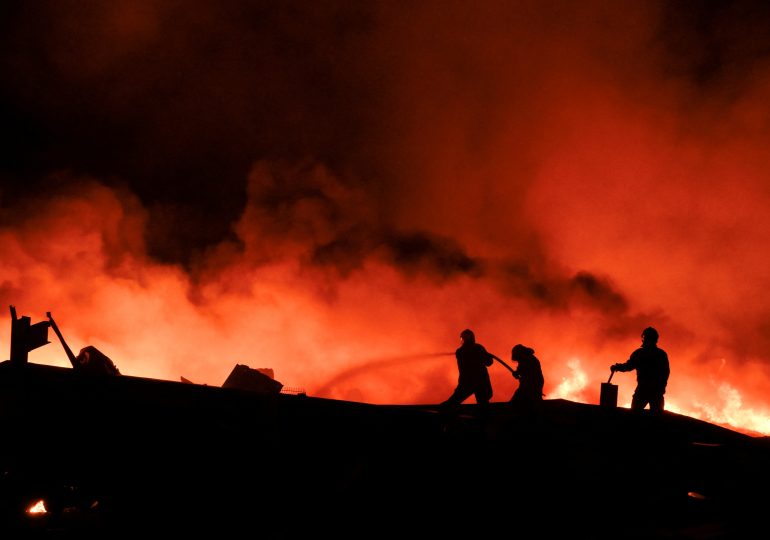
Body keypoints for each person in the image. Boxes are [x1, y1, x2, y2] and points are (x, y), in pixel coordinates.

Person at [610, 327, 670, 413]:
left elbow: (628, 366)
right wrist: (662, 387)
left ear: (644, 338)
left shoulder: (640, 353)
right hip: (656, 391)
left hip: (643, 389)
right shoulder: (661, 354)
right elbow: (666, 373)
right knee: (657, 419)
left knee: (635, 415)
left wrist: (617, 367)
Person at [441, 329, 495, 413]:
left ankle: (442, 412)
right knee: (483, 404)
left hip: (467, 382)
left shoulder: (460, 351)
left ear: (462, 339)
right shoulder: (478, 348)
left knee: (453, 402)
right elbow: (489, 362)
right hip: (480, 381)